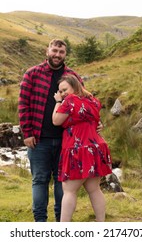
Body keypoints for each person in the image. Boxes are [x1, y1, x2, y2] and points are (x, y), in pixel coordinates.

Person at [18, 39, 84, 222]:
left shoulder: (73, 76)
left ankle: (60, 222)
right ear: (47, 51)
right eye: (54, 50)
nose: (57, 55)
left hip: (67, 140)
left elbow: (84, 103)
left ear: (65, 54)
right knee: (40, 181)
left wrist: (95, 123)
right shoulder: (32, 74)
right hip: (38, 140)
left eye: (61, 52)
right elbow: (23, 104)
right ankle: (40, 223)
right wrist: (27, 133)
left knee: (62, 182)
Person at [52, 74, 112, 222]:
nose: (62, 93)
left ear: (75, 85)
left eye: (64, 89)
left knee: (69, 191)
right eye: (60, 91)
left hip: (77, 149)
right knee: (94, 190)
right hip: (96, 147)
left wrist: (58, 102)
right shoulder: (93, 100)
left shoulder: (70, 101)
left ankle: (63, 230)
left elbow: (56, 120)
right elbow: (94, 121)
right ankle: (101, 224)